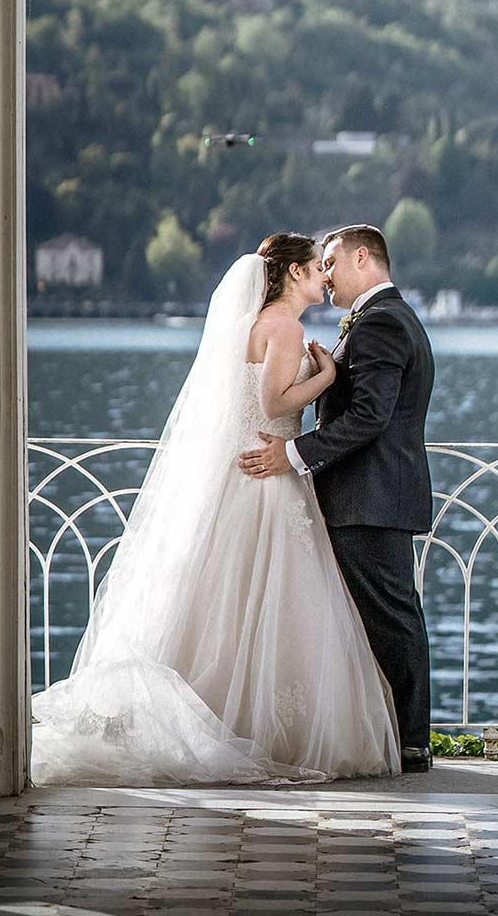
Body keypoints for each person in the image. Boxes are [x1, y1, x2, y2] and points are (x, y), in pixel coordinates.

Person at [29, 233, 399, 785]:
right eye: (316, 267)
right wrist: (325, 377)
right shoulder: (286, 327)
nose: (325, 275)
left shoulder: (258, 324)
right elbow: (274, 404)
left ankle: (222, 716)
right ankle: (264, 728)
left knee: (226, 599)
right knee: (270, 599)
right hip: (270, 474)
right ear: (294, 274)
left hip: (251, 469)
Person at [238, 223, 436, 773]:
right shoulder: (382, 319)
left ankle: (409, 741)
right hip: (369, 494)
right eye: (319, 265)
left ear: (362, 258)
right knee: (382, 617)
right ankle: (397, 734)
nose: (324, 275)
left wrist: (295, 453)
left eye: (331, 262)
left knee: (390, 619)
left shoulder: (381, 324)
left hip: (370, 496)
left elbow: (370, 417)